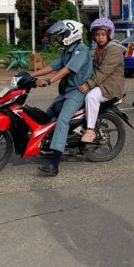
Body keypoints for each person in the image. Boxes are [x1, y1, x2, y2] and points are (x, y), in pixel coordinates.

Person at [30, 19, 93, 176]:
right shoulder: (67, 51)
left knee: (62, 120)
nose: (59, 39)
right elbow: (53, 66)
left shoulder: (81, 51)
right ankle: (46, 145)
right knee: (47, 115)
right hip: (66, 91)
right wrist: (30, 74)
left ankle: (55, 165)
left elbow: (66, 69)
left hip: (78, 91)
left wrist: (49, 81)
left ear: (70, 34)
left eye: (61, 35)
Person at [78, 18, 125, 143]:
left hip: (110, 86)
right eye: (97, 35)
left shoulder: (113, 49)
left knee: (91, 97)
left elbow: (103, 72)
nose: (100, 38)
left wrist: (88, 85)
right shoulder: (98, 49)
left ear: (109, 34)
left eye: (103, 35)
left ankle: (90, 130)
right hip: (101, 84)